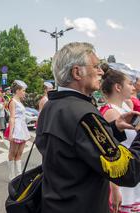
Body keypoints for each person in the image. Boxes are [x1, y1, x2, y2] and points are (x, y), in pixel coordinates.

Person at [36, 42, 140, 213]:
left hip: (56, 204)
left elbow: (75, 144)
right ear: (77, 72)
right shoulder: (83, 114)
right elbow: (126, 170)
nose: (101, 72)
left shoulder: (53, 105)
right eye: (96, 66)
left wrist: (114, 128)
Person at [99, 63, 140, 213]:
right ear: (118, 87)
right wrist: (115, 189)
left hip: (130, 173)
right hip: (121, 180)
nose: (133, 87)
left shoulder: (125, 107)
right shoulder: (111, 112)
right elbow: (109, 155)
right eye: (129, 83)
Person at [4, 80, 31, 180]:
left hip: (22, 128)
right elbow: (12, 117)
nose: (24, 92)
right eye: (23, 90)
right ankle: (12, 176)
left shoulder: (19, 101)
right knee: (13, 152)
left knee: (19, 153)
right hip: (16, 128)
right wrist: (11, 133)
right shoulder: (12, 101)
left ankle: (19, 175)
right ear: (17, 91)